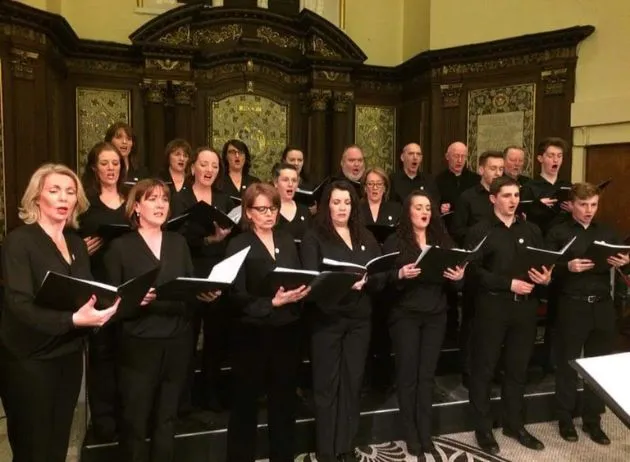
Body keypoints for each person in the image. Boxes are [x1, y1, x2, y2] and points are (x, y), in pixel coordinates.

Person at [0, 163, 119, 462]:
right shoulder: (19, 241)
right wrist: (73, 319)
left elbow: (82, 295)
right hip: (29, 360)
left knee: (58, 444)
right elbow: (18, 304)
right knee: (33, 449)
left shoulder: (77, 243)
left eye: (70, 192)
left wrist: (106, 307)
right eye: (55, 190)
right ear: (36, 197)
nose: (64, 198)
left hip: (67, 354)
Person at [104, 178, 220, 462]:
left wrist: (203, 294)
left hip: (178, 340)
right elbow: (107, 304)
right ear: (136, 207)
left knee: (167, 419)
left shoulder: (178, 242)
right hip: (139, 344)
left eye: (164, 199)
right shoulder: (120, 247)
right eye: (152, 198)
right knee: (135, 420)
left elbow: (187, 287)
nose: (160, 204)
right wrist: (133, 301)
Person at [301, 180, 387, 462]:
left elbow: (380, 275)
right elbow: (311, 283)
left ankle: (345, 446)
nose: (342, 208)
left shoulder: (364, 236)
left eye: (347, 202)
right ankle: (326, 449)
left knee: (352, 384)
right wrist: (344, 283)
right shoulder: (315, 236)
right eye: (336, 202)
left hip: (359, 321)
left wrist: (369, 280)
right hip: (327, 319)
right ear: (327, 205)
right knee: (327, 386)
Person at [465, 176, 552, 455]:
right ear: (493, 198)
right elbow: (472, 272)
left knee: (517, 369)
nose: (513, 200)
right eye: (506, 195)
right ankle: (483, 428)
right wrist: (507, 284)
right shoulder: (479, 231)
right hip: (492, 306)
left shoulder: (531, 229)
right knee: (485, 369)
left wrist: (546, 277)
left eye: (516, 195)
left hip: (525, 308)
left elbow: (541, 263)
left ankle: (515, 423)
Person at [225, 183, 310, 462]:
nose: (268, 214)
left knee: (284, 405)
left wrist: (302, 291)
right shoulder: (238, 244)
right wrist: (270, 303)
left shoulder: (285, 239)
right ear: (248, 212)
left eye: (272, 208)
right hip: (252, 333)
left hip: (286, 331)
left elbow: (295, 275)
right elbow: (234, 294)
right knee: (244, 406)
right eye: (261, 209)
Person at [382, 190, 466, 457]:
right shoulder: (395, 240)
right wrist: (400, 274)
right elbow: (384, 280)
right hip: (405, 314)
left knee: (427, 376)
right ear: (408, 211)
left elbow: (457, 280)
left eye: (428, 207)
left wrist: (458, 276)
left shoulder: (442, 239)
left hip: (435, 313)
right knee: (408, 376)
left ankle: (425, 431)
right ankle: (410, 433)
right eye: (418, 207)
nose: (424, 212)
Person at [546, 182, 629, 445]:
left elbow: (621, 256)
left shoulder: (606, 231)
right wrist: (566, 266)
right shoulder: (558, 232)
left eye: (593, 205)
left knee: (598, 366)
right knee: (568, 364)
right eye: (583, 205)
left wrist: (624, 260)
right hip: (572, 304)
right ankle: (565, 419)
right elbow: (544, 267)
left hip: (602, 305)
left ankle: (593, 421)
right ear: (571, 204)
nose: (589, 210)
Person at [171, 147, 233, 413]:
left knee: (217, 340)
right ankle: (183, 401)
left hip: (219, 273)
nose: (209, 170)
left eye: (215, 166)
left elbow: (232, 236)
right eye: (204, 164)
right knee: (187, 339)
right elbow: (175, 239)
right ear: (193, 167)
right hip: (191, 272)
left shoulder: (225, 199)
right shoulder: (179, 198)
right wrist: (210, 239)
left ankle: (211, 394)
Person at [79, 142, 129, 441]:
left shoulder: (130, 200)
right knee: (102, 356)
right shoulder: (85, 203)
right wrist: (81, 249)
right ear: (95, 168)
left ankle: (126, 415)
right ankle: (103, 421)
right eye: (105, 163)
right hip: (98, 285)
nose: (111, 168)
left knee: (128, 354)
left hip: (127, 285)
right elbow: (69, 243)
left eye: (116, 163)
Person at [434, 142, 480, 340]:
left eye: (463, 156)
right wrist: (439, 208)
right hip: (447, 237)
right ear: (447, 156)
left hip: (469, 239)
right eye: (456, 156)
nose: (460, 160)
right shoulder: (437, 180)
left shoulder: (474, 180)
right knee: (450, 285)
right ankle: (450, 331)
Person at [520, 137, 572, 235]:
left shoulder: (568, 186)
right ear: (540, 158)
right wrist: (538, 206)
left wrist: (574, 209)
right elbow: (521, 216)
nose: (556, 160)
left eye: (559, 156)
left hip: (565, 237)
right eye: (551, 156)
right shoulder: (529, 187)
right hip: (540, 237)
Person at [272, 162, 312, 241]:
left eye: (294, 180)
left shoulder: (304, 211)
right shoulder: (268, 209)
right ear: (276, 183)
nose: (290, 184)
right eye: (285, 180)